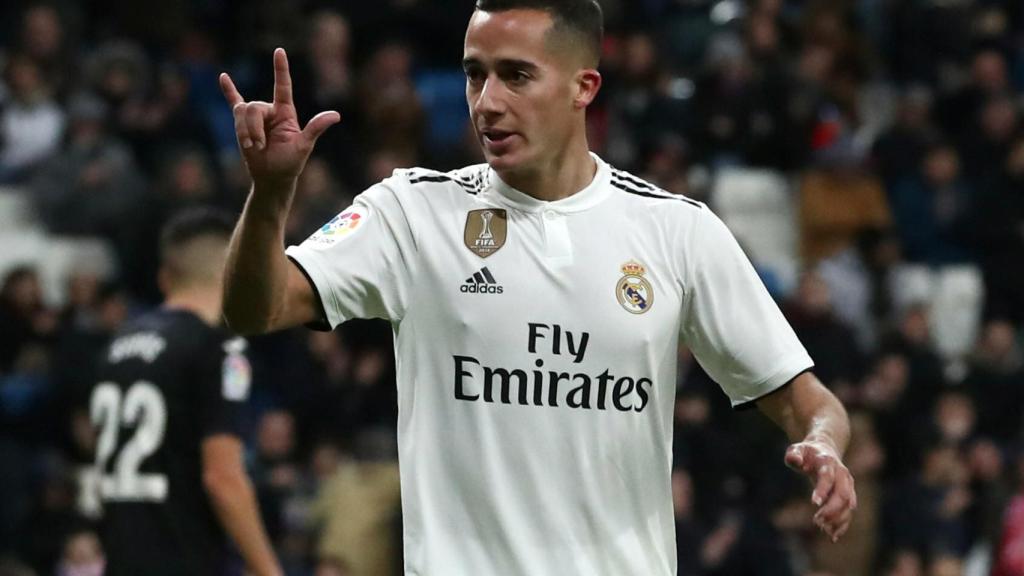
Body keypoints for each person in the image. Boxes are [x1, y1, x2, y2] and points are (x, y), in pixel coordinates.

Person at [219, 1, 857, 573]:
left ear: (584, 87)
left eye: (516, 75)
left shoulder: (674, 232)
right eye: (475, 74)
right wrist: (271, 195)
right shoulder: (411, 214)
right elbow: (256, 309)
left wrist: (824, 444)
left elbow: (809, 400)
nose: (487, 101)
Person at [89, 209, 281, 575]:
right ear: (234, 271)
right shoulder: (221, 349)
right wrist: (268, 569)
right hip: (183, 558)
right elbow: (222, 478)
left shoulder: (117, 347)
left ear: (166, 277)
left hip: (119, 560)